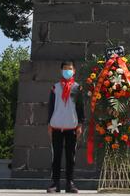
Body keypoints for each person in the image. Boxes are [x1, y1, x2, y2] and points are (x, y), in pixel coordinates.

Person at [47, 60, 84, 193]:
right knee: (56, 156)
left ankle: (70, 183)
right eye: (65, 69)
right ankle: (55, 183)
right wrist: (49, 124)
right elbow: (51, 107)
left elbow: (80, 108)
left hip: (72, 126)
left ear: (74, 71)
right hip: (56, 125)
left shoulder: (77, 88)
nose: (67, 71)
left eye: (70, 69)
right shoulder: (55, 87)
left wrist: (80, 124)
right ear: (61, 71)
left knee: (70, 157)